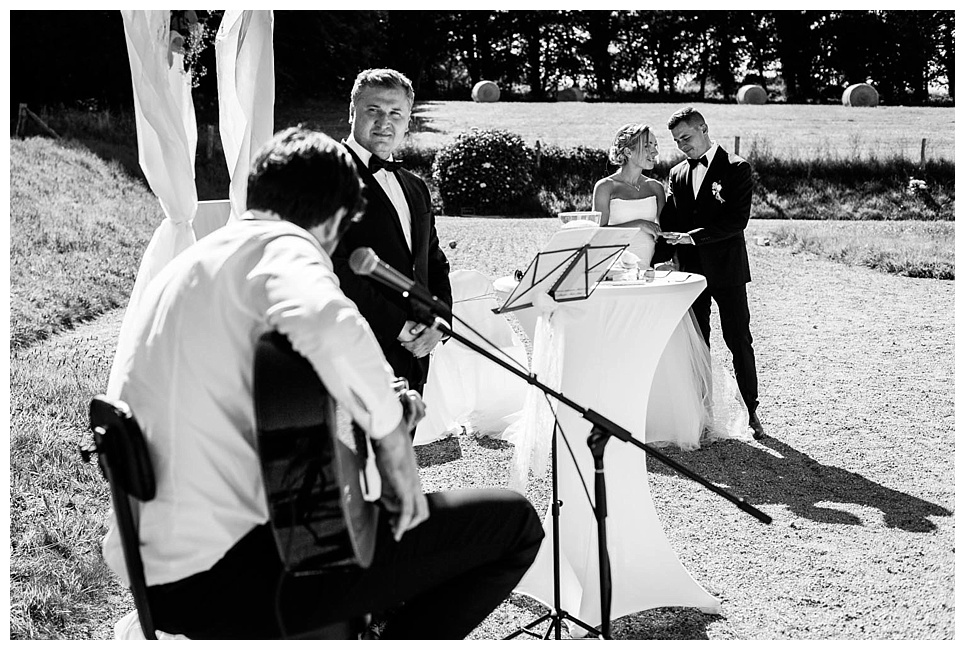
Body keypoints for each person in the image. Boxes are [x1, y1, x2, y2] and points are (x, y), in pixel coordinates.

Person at [104, 127, 543, 640]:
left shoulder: (194, 263)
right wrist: (395, 450)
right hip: (239, 573)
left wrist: (360, 411)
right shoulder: (285, 248)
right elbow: (324, 321)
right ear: (336, 218)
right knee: (513, 524)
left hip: (159, 573)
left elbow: (277, 390)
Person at [592, 123, 745, 450]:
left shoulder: (657, 188)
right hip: (616, 271)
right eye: (648, 146)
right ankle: (618, 414)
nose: (655, 152)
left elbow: (666, 232)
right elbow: (597, 235)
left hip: (648, 273)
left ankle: (664, 417)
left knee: (659, 345)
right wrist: (636, 223)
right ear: (629, 149)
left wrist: (670, 258)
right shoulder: (604, 187)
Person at [332, 68, 452, 400]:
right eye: (374, 110)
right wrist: (400, 327)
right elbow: (333, 266)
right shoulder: (328, 176)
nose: (385, 121)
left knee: (400, 452)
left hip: (414, 358)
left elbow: (434, 263)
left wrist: (440, 323)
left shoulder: (416, 187)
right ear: (352, 113)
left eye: (396, 113)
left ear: (408, 122)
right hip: (358, 352)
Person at [661, 107, 765, 440]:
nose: (682, 146)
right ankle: (701, 413)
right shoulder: (676, 174)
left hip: (728, 269)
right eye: (677, 141)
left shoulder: (737, 168)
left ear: (704, 129)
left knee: (738, 340)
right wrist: (663, 255)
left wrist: (693, 237)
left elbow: (736, 221)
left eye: (686, 138)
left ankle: (751, 411)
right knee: (697, 343)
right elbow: (673, 222)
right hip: (692, 273)